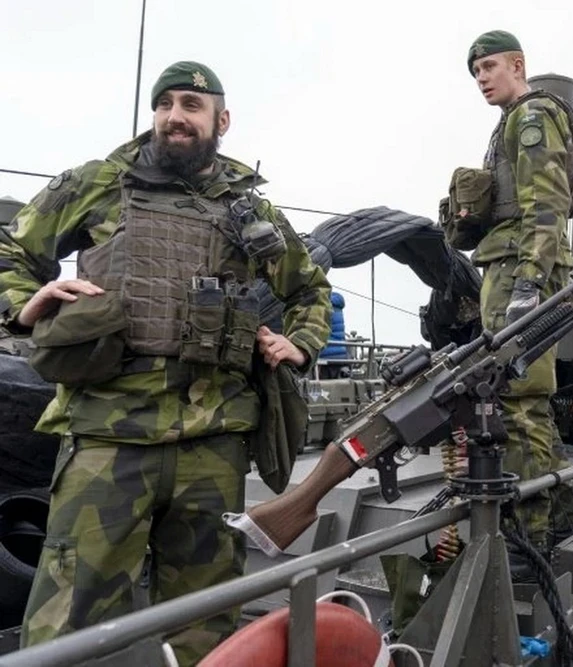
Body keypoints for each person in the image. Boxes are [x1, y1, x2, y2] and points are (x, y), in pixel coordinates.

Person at [0, 61, 332, 665]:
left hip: (216, 439)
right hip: (109, 433)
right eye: (164, 105)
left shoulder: (251, 212)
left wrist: (300, 343)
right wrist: (25, 305)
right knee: (70, 615)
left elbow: (308, 288)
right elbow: (11, 247)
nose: (174, 116)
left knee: (207, 618)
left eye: (190, 105)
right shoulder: (99, 183)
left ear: (221, 120)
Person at [463, 30, 573, 571]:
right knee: (525, 397)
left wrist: (531, 283)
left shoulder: (531, 116)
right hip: (511, 266)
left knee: (515, 400)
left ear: (518, 64)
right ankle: (556, 513)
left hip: (521, 269)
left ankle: (530, 535)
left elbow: (546, 204)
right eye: (476, 71)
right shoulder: (510, 121)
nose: (483, 78)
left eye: (489, 66)